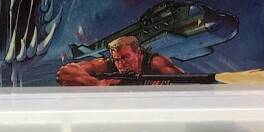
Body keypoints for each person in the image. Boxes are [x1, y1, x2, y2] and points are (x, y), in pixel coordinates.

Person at [56, 34, 184, 86]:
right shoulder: (107, 64)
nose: (121, 64)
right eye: (117, 59)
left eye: (125, 57)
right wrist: (98, 84)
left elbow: (185, 82)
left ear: (138, 53)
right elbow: (64, 72)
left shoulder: (156, 63)